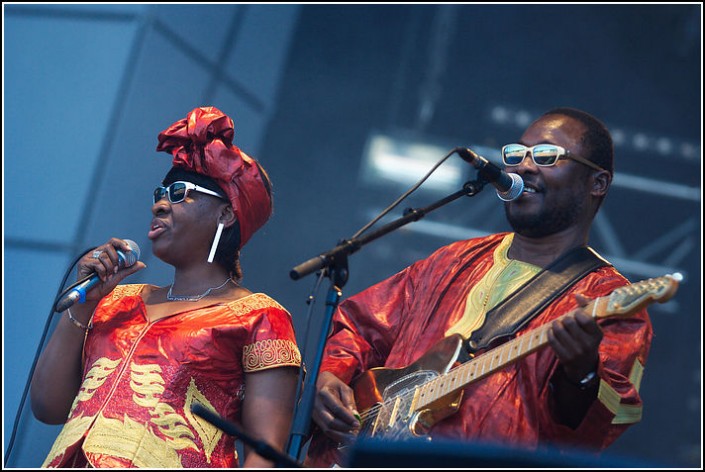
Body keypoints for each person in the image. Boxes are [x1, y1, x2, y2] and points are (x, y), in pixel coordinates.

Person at [305, 107, 654, 467]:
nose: (525, 166)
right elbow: (361, 328)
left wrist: (582, 373)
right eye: (517, 154)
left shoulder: (612, 303)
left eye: (548, 156)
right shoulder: (452, 260)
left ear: (598, 183)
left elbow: (598, 430)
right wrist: (331, 376)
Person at [31, 106, 302, 468]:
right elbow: (48, 408)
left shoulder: (259, 317)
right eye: (159, 193)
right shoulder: (117, 301)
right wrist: (83, 305)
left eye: (179, 192)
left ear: (225, 214)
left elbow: (265, 455)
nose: (160, 204)